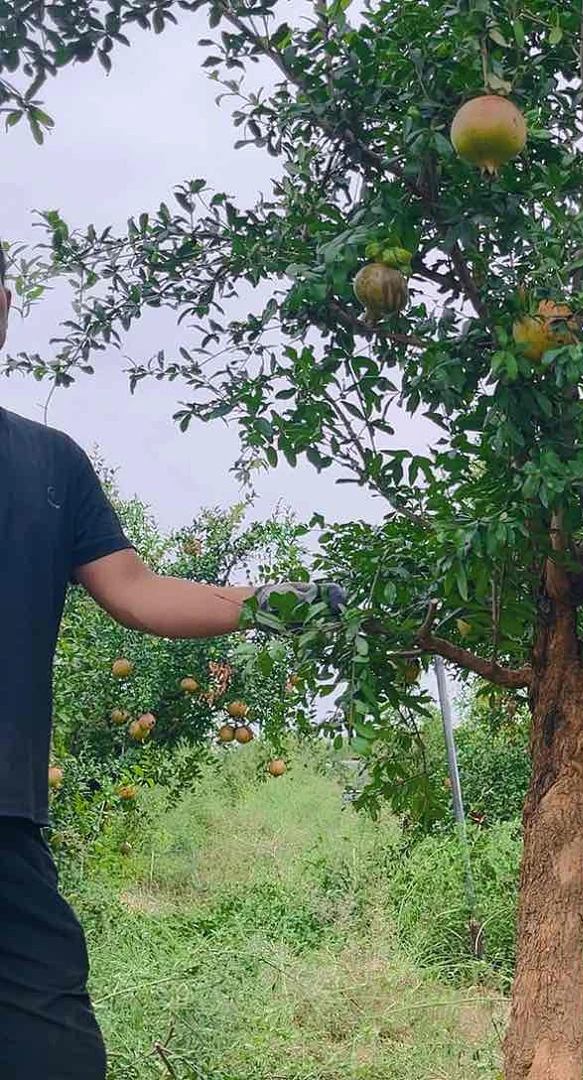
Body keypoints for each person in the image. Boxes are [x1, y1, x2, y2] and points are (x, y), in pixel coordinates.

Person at [0, 243, 341, 1078]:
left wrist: (273, 603)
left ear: (5, 308)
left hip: (4, 818)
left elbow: (138, 590)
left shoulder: (49, 462)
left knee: (53, 1051)